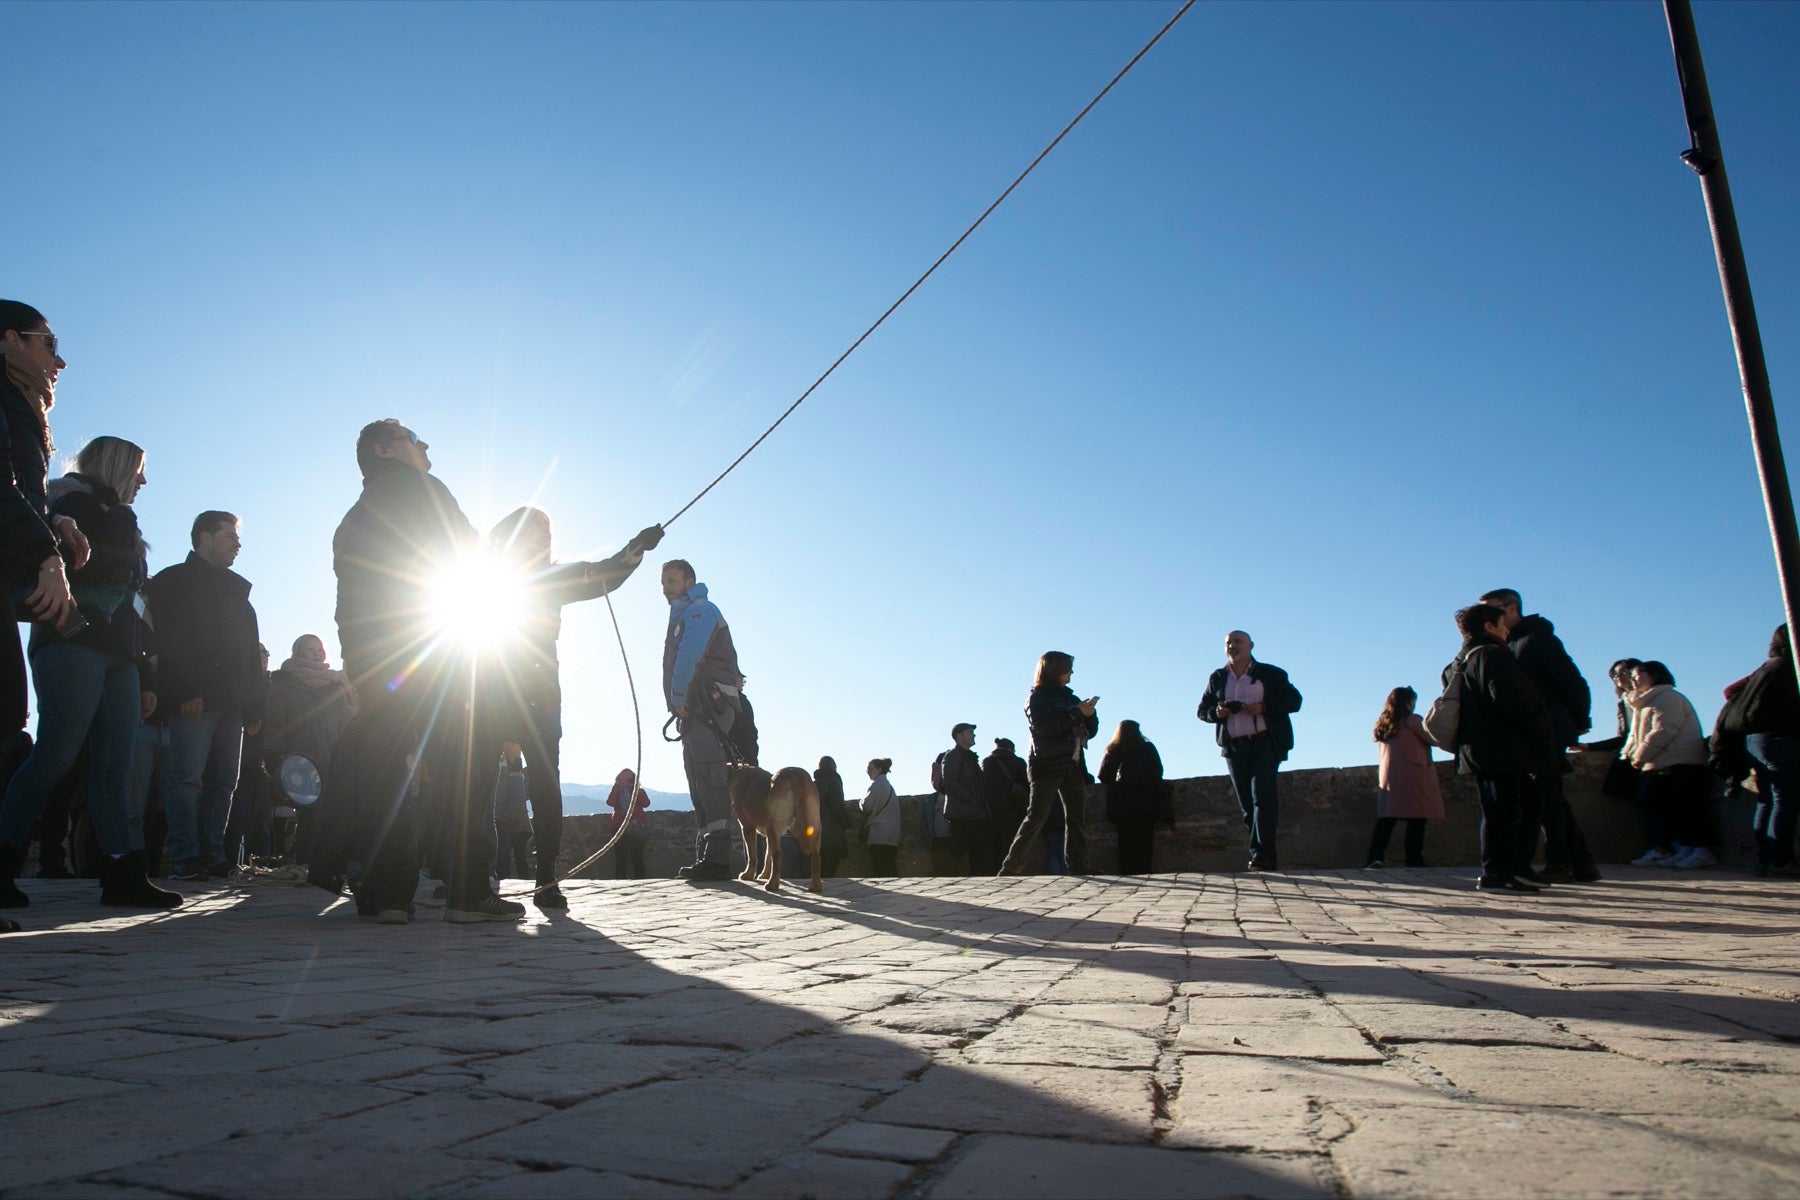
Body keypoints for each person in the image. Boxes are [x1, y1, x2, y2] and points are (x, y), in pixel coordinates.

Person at [311, 419, 517, 925]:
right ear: (384, 450)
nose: (425, 445)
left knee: (385, 767)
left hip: (378, 659)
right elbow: (470, 555)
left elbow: (347, 607)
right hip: (439, 648)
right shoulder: (425, 489)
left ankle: (388, 896)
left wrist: (360, 668)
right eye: (412, 437)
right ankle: (468, 890)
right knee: (468, 757)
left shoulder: (352, 519)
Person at [0, 436, 178, 910]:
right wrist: (120, 516)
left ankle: (123, 875)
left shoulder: (113, 514)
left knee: (113, 769)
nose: (143, 481)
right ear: (117, 466)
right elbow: (98, 560)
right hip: (70, 641)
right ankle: (3, 865)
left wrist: (145, 674)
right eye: (138, 471)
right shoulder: (71, 504)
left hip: (119, 656)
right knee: (53, 756)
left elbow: (134, 608)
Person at [489, 506, 658, 907]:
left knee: (546, 782)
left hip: (538, 690)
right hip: (493, 684)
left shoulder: (554, 575)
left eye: (548, 534)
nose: (546, 540)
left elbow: (605, 574)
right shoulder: (492, 577)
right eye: (537, 533)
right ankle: (469, 868)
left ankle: (546, 875)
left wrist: (636, 549)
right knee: (476, 780)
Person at [0, 301, 85, 894]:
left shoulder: (22, 410)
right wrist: (48, 554)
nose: (60, 359)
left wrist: (57, 524)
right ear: (10, 340)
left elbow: (21, 489)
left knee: (9, 716)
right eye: (48, 343)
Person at [145, 511, 265, 881]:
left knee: (224, 782)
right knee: (186, 780)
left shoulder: (238, 593)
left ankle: (215, 854)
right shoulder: (173, 582)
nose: (237, 544)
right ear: (204, 538)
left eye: (238, 537)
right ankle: (185, 856)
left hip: (233, 706)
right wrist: (184, 690)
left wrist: (256, 707)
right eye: (229, 535)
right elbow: (168, 640)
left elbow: (250, 655)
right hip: (194, 701)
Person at [1479, 589, 1598, 883]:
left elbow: (1573, 682)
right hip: (1533, 731)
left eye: (1493, 611)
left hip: (1546, 730)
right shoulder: (1510, 644)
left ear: (1511, 608)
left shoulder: (1536, 640)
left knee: (1547, 799)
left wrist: (1579, 722)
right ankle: (1581, 863)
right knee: (1550, 797)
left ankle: (1562, 863)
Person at [1444, 604, 1556, 893]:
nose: (1508, 630)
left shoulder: (1458, 662)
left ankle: (1512, 868)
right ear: (1489, 627)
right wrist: (1541, 727)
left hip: (1482, 749)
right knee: (1505, 811)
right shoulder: (1493, 656)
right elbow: (1510, 701)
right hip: (1503, 748)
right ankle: (1497, 873)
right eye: (1502, 624)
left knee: (1519, 805)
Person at [661, 559, 753, 882]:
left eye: (670, 581)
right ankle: (707, 855)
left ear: (688, 581)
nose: (664, 588)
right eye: (663, 582)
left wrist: (676, 698)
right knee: (697, 776)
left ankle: (717, 858)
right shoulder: (685, 615)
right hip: (696, 708)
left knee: (710, 776)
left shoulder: (701, 611)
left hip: (707, 706)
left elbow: (689, 656)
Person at [1197, 631, 1303, 871]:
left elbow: (1294, 701)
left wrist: (1263, 707)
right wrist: (1218, 712)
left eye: (1237, 642)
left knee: (1262, 799)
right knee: (1247, 805)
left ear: (1251, 646)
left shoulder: (1271, 673)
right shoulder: (1218, 677)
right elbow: (1202, 710)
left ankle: (1261, 857)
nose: (1232, 646)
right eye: (1228, 642)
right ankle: (1263, 856)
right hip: (1234, 747)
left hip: (1265, 743)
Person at [999, 651, 1098, 876]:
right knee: (1036, 816)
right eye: (1067, 668)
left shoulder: (1070, 698)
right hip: (1046, 764)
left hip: (1072, 764)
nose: (1071, 673)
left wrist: (1089, 715)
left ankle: (1079, 865)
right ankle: (1010, 868)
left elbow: (1089, 732)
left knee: (1076, 817)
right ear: (1055, 669)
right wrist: (1076, 713)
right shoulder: (1037, 698)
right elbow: (1045, 729)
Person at [262, 633, 358, 865]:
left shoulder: (336, 684)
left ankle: (328, 865)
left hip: (333, 756)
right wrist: (275, 758)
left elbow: (347, 721)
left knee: (334, 814)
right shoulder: (285, 683)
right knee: (311, 816)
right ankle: (307, 864)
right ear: (298, 653)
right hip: (301, 760)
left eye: (319, 649)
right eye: (310, 650)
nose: (316, 654)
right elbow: (275, 724)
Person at [1624, 661, 1717, 869]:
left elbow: (1664, 730)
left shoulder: (1668, 698)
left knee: (1686, 808)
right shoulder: (1646, 701)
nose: (1633, 679)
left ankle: (1700, 850)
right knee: (1666, 807)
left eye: (1638, 674)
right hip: (1661, 763)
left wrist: (1641, 755)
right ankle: (1680, 848)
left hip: (1680, 762)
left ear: (1655, 675)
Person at [1732, 626, 1800, 876]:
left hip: (1756, 740)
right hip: (1782, 737)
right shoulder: (1789, 667)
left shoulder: (1767, 667)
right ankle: (1780, 860)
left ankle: (1765, 859)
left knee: (1767, 800)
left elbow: (1730, 690)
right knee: (1784, 799)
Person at [1366, 687, 1444, 868]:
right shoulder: (1413, 721)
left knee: (1387, 821)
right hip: (1413, 776)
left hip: (1391, 779)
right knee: (1416, 820)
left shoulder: (1383, 725)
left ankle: (1374, 858)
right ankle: (1414, 859)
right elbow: (1433, 738)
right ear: (1408, 703)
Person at [1098, 719, 1169, 874]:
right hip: (1147, 803)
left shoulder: (1114, 749)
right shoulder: (1148, 748)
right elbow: (1158, 771)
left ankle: (1128, 873)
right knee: (1145, 842)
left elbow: (1103, 776)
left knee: (1126, 842)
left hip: (1122, 805)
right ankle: (1145, 871)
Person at [940, 721, 995, 875]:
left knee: (979, 851)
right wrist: (971, 799)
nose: (973, 735)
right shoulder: (952, 756)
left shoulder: (970, 758)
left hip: (974, 812)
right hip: (962, 813)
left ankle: (979, 881)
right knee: (958, 849)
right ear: (959, 736)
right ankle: (945, 878)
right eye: (970, 732)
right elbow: (950, 783)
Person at [982, 737, 1030, 858]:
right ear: (1010, 748)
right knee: (1010, 843)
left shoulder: (986, 762)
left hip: (990, 809)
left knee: (992, 844)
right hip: (1013, 808)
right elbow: (1027, 783)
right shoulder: (1018, 762)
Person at [605, 767, 650, 880]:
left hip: (634, 827)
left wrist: (635, 789)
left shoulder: (638, 791)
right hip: (619, 827)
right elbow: (610, 802)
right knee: (620, 857)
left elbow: (646, 803)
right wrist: (617, 788)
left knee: (637, 856)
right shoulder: (617, 791)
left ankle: (640, 879)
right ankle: (621, 880)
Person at [493, 748, 532, 879]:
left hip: (504, 821)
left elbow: (519, 793)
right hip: (500, 819)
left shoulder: (512, 759)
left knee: (503, 859)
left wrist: (503, 816)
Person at [858, 758, 899, 877]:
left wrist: (860, 802)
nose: (868, 772)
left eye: (870, 769)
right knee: (890, 867)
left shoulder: (876, 785)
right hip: (892, 835)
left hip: (879, 834)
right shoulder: (890, 788)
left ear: (879, 769)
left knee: (879, 868)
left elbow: (867, 806)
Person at [813, 756, 849, 878]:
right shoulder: (833, 782)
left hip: (816, 834)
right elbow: (837, 806)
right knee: (829, 870)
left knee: (819, 869)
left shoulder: (813, 784)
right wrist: (847, 822)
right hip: (832, 835)